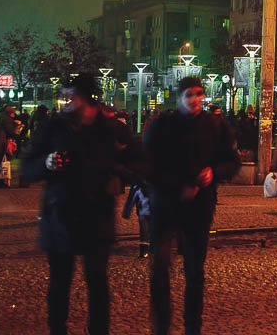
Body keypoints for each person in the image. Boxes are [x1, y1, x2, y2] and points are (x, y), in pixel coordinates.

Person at [21, 74, 144, 335]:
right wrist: (47, 163)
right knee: (59, 284)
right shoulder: (54, 127)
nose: (65, 101)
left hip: (96, 215)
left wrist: (117, 173)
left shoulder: (111, 129)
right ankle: (58, 329)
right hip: (60, 215)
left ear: (85, 99)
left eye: (70, 96)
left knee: (97, 282)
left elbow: (139, 162)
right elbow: (28, 166)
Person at [144, 77, 240, 335]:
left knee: (195, 271)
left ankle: (192, 327)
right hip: (166, 205)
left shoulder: (215, 126)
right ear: (180, 97)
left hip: (199, 207)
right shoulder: (163, 126)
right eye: (189, 95)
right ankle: (162, 325)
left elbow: (232, 162)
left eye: (199, 94)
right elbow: (146, 165)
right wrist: (179, 185)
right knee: (160, 268)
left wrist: (214, 172)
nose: (195, 100)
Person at [122, 182, 153, 258]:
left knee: (144, 231)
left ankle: (144, 251)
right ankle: (152, 249)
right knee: (152, 230)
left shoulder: (137, 186)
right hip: (153, 210)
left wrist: (127, 212)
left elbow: (131, 199)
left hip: (143, 211)